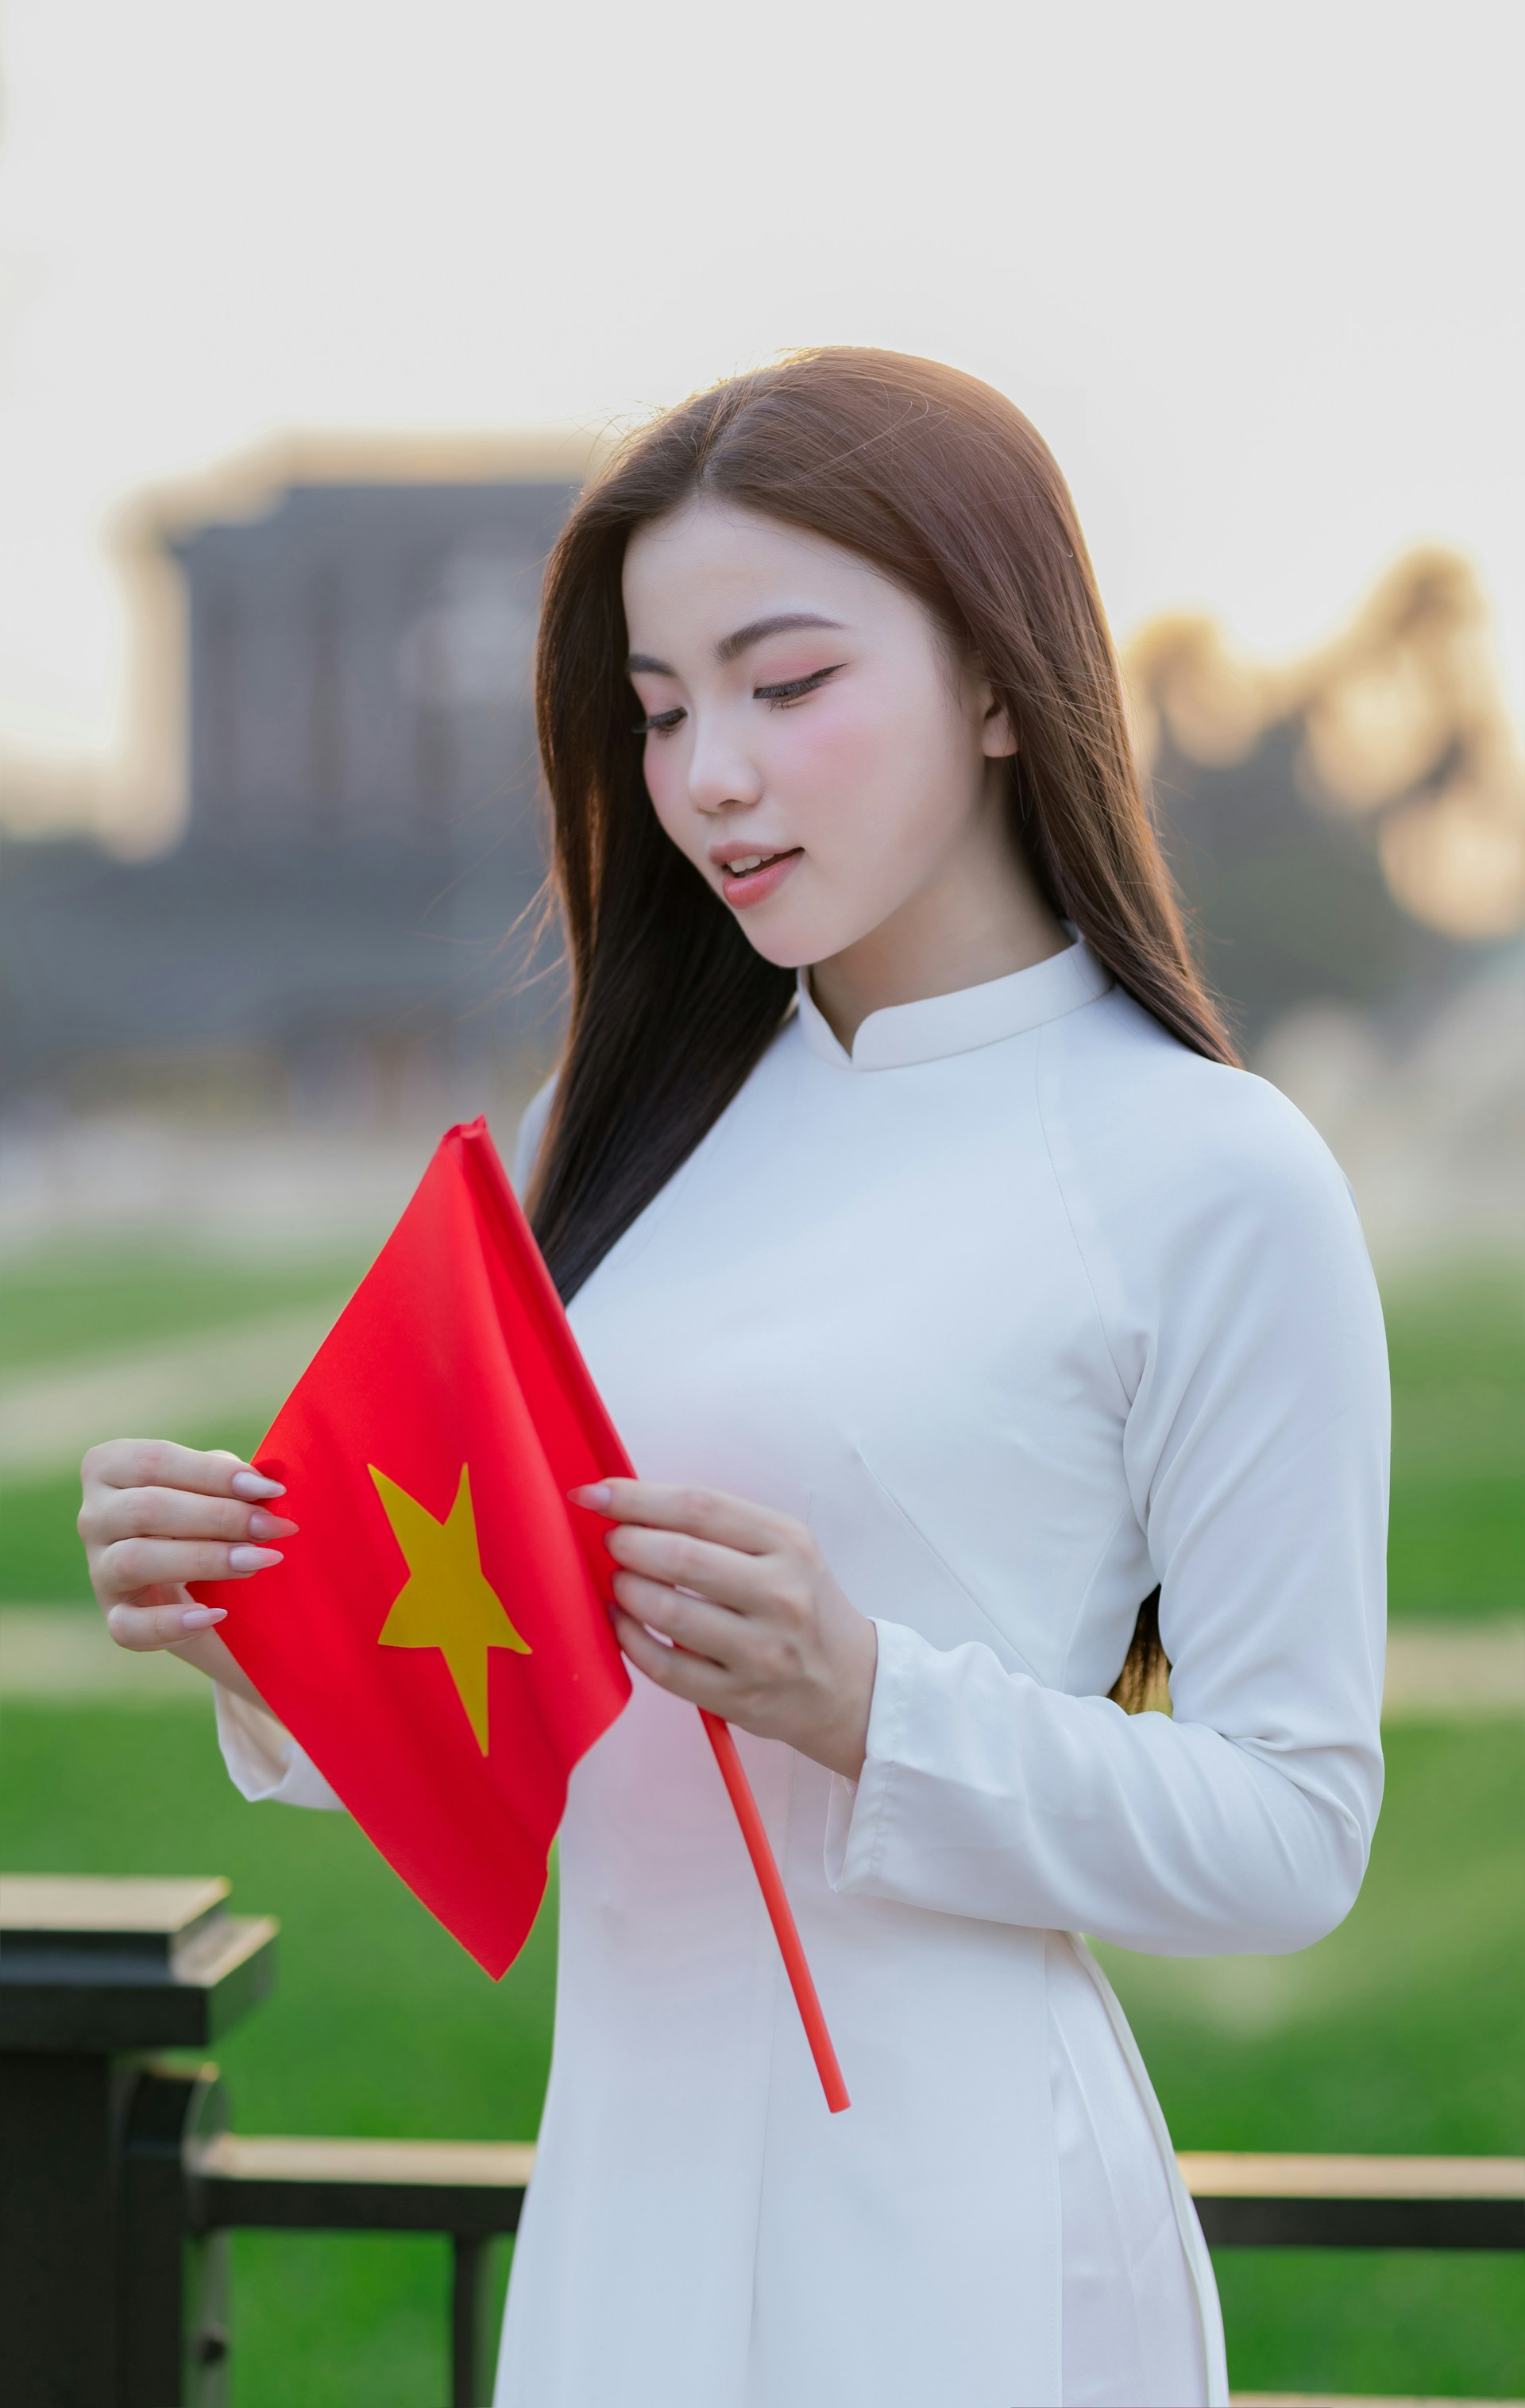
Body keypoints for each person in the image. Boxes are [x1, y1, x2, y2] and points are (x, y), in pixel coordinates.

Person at [79, 349, 1389, 2408]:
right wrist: (254, 1627)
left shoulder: (1205, 1172)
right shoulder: (594, 1143)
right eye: (664, 709)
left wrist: (868, 1701)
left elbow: (1291, 1831)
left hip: (971, 2230)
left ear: (993, 677)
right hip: (626, 2195)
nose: (707, 779)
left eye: (785, 687)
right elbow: (512, 1704)